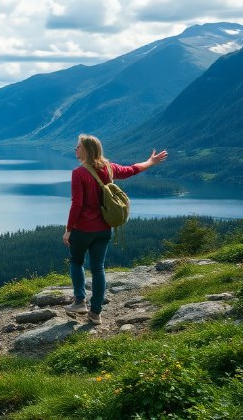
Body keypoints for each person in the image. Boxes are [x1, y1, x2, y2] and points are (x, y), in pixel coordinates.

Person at [62, 134, 167, 325]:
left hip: (83, 229)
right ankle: (96, 313)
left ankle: (79, 302)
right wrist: (150, 162)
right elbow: (132, 170)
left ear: (86, 150)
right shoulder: (109, 168)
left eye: (78, 147)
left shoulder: (79, 173)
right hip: (104, 229)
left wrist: (69, 230)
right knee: (98, 268)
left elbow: (76, 204)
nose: (75, 150)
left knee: (76, 262)